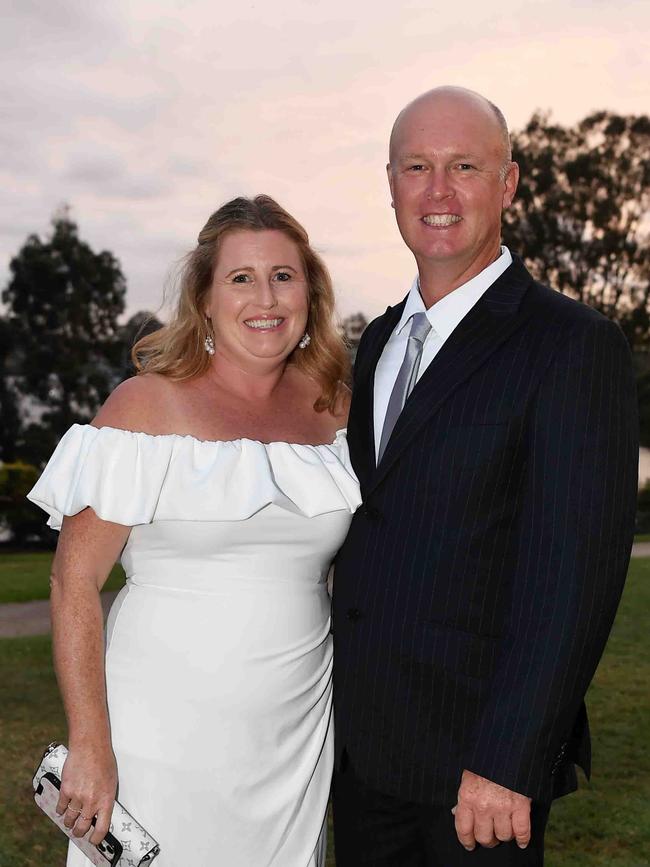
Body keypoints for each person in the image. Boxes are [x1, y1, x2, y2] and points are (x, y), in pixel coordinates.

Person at [332, 86, 638, 865]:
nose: (438, 191)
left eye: (465, 166)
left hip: (478, 778)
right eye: (417, 167)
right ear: (391, 183)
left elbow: (574, 576)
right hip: (363, 760)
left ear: (507, 184)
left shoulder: (572, 345)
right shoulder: (376, 346)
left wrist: (509, 757)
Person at [27, 194, 361, 866]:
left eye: (283, 275)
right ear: (205, 297)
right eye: (241, 277)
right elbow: (74, 580)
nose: (264, 296)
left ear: (310, 291)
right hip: (156, 736)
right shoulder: (145, 404)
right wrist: (90, 743)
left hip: (290, 738)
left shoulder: (336, 410)